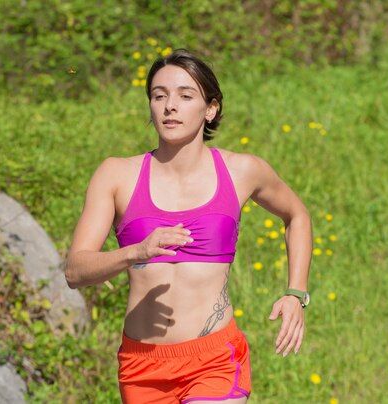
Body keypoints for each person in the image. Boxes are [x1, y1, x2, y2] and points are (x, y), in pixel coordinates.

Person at [64, 49, 312, 403]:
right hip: (142, 366)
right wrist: (136, 251)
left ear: (210, 108)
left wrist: (295, 294)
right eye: (159, 95)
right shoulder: (116, 175)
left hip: (214, 358)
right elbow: (75, 270)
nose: (170, 106)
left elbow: (297, 215)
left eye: (185, 95)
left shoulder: (241, 170)